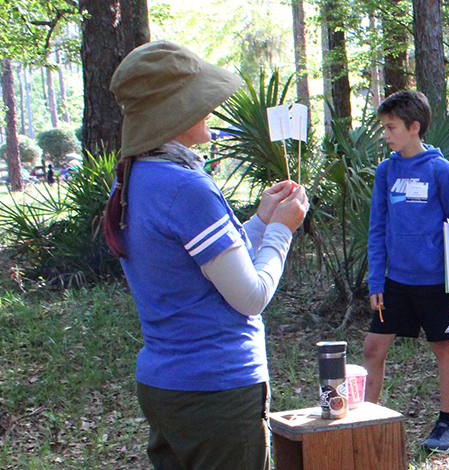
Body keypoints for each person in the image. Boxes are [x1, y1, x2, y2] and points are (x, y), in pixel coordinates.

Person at [105, 40, 310, 470]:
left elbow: (205, 266)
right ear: (175, 114)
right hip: (215, 391)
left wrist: (258, 222)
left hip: (166, 385)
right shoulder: (186, 187)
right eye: (199, 100)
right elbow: (250, 295)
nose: (210, 108)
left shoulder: (137, 178)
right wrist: (281, 230)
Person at [363, 90, 449, 453]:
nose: (385, 134)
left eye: (391, 127)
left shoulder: (438, 169)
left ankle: (447, 422)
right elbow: (377, 227)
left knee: (441, 347)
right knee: (372, 348)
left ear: (414, 127)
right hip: (395, 282)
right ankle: (367, 420)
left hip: (434, 281)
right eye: (383, 127)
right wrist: (376, 279)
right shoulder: (386, 170)